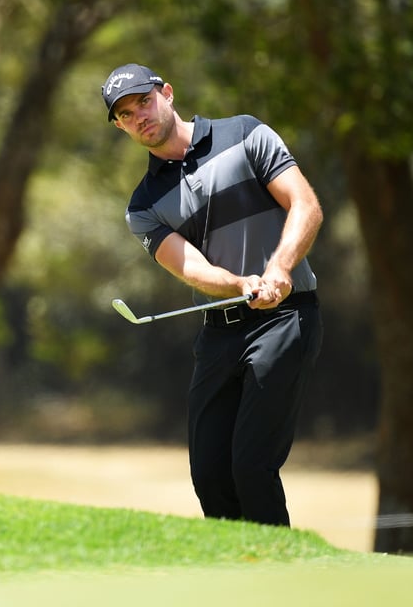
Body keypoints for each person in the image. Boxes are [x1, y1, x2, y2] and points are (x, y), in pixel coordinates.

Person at [102, 63, 324, 527]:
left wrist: (278, 269)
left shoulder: (245, 134)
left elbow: (304, 204)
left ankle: (283, 585)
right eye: (125, 114)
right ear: (121, 126)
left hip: (285, 318)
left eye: (143, 101)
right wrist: (242, 284)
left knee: (250, 466)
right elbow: (192, 268)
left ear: (167, 93)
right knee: (209, 474)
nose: (139, 116)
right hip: (220, 333)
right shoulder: (142, 206)